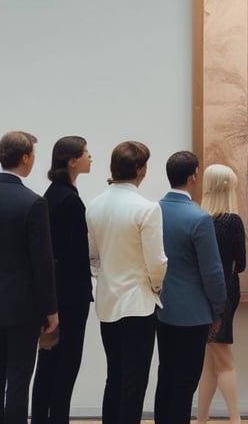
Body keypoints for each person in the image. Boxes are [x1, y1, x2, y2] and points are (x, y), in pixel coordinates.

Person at [86, 141, 167, 424]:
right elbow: (157, 262)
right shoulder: (147, 208)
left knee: (115, 376)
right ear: (140, 169)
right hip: (139, 304)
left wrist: (105, 281)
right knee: (134, 382)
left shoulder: (95, 205)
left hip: (108, 303)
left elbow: (93, 257)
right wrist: (155, 288)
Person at [154, 151, 226, 424]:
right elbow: (213, 271)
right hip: (193, 312)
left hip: (161, 306)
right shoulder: (199, 218)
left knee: (166, 374)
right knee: (185, 381)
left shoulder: (153, 211)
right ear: (193, 176)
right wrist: (218, 310)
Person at [0, 131, 58, 424]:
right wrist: (51, 310)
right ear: (24, 158)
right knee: (18, 382)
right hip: (22, 307)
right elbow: (41, 263)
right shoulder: (32, 202)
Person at [31, 136, 93, 424]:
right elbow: (77, 255)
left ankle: (44, 418)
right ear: (72, 161)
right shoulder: (69, 200)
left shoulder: (51, 195)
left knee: (48, 363)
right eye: (86, 154)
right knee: (66, 364)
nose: (90, 158)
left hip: (53, 293)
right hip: (71, 295)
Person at [197, 164, 247, 424]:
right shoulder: (232, 221)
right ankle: (236, 419)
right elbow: (242, 263)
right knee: (224, 359)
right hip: (225, 291)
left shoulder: (198, 219)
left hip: (200, 293)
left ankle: (201, 419)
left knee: (211, 359)